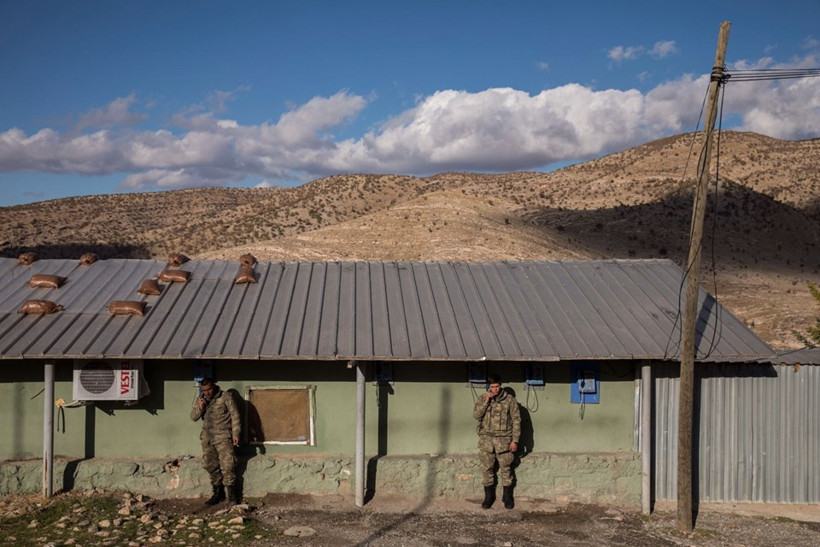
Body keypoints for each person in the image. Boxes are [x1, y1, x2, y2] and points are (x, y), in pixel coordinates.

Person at [473, 374, 521, 509]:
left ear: (501, 385)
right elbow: (476, 416)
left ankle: (507, 497)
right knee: (487, 469)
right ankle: (489, 497)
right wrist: (486, 401)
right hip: (486, 441)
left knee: (506, 469)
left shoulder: (510, 400)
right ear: (489, 387)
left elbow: (516, 421)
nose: (495, 389)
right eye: (492, 387)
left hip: (504, 441)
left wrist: (515, 441)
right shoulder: (483, 398)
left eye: (497, 386)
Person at [191, 377, 241, 506]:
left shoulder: (226, 397)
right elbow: (193, 417)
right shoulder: (201, 399)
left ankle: (232, 495)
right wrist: (200, 407)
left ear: (214, 386)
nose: (207, 392)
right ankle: (218, 493)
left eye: (209, 389)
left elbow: (235, 416)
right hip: (208, 439)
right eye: (204, 390)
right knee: (210, 465)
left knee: (228, 465)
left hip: (223, 437)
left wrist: (236, 433)